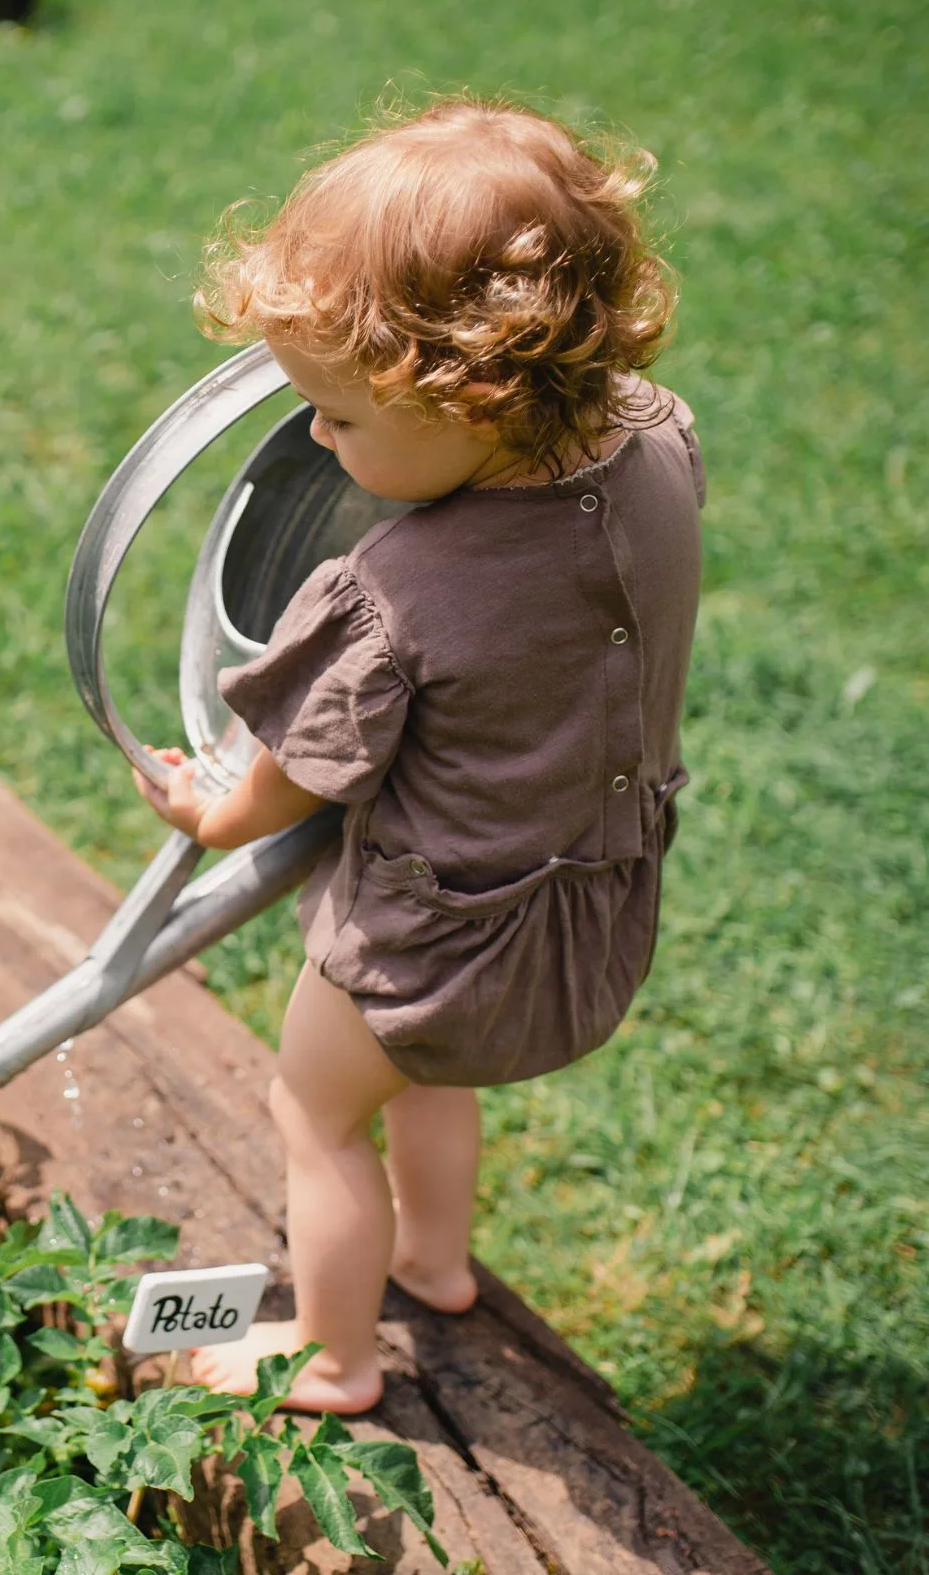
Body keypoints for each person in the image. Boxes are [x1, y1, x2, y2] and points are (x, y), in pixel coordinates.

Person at [133, 96, 703, 1414]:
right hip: (586, 908)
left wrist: (213, 811)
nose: (317, 442)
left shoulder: (395, 591)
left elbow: (295, 770)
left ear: (475, 395)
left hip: (432, 939)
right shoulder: (660, 444)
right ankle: (434, 1262)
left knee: (318, 1110)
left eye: (338, 418)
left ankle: (333, 1355)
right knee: (420, 1076)